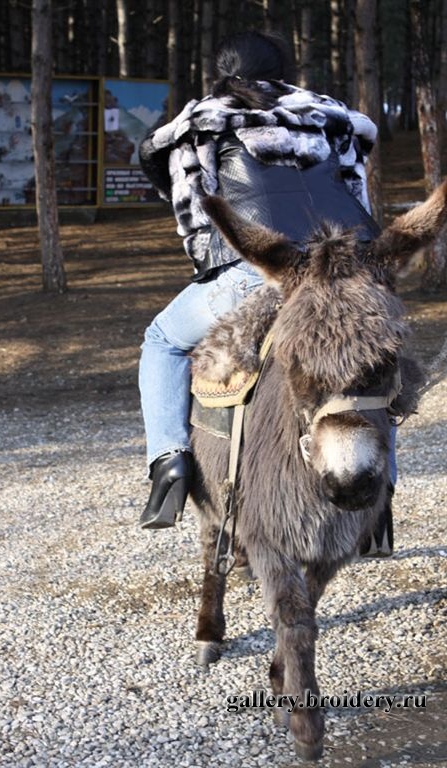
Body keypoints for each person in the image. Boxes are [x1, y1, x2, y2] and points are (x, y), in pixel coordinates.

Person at [138, 30, 395, 540]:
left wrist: (211, 263)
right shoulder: (331, 117)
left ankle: (169, 461)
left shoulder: (203, 121)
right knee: (372, 367)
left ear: (221, 70)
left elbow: (192, 208)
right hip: (343, 277)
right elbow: (357, 198)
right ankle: (382, 494)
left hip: (259, 271)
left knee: (162, 340)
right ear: (284, 70)